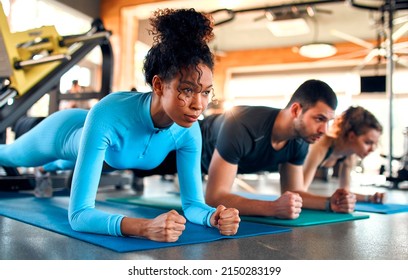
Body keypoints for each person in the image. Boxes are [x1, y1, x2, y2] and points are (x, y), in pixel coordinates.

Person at [0, 8, 240, 242]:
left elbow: (193, 205)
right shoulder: (109, 114)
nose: (199, 105)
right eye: (187, 90)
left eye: (206, 92)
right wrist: (144, 227)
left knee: (71, 162)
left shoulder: (189, 131)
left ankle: (46, 170)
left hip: (105, 153)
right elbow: (79, 215)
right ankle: (42, 165)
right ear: (158, 85)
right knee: (9, 155)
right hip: (63, 132)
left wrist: (213, 216)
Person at [132, 79, 355, 218]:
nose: (324, 129)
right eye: (319, 119)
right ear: (296, 110)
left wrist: (329, 203)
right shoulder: (244, 124)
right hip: (180, 145)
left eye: (329, 121)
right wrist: (271, 208)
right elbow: (215, 196)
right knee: (127, 162)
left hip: (200, 164)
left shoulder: (299, 140)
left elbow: (294, 193)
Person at [302, 105, 384, 208]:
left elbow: (345, 193)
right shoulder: (320, 148)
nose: (372, 149)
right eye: (368, 142)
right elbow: (300, 193)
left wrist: (370, 198)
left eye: (374, 144)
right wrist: (330, 203)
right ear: (352, 136)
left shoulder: (349, 155)